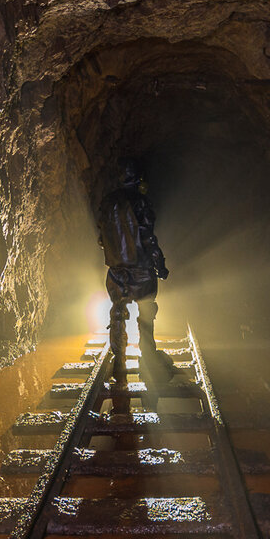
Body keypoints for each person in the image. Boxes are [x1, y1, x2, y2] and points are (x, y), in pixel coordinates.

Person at [96, 158, 172, 414]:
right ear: (138, 179)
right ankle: (148, 357)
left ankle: (119, 364)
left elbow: (100, 238)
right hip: (140, 270)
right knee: (147, 312)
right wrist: (160, 264)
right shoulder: (140, 203)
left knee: (118, 312)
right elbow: (148, 238)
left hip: (116, 272)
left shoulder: (108, 202)